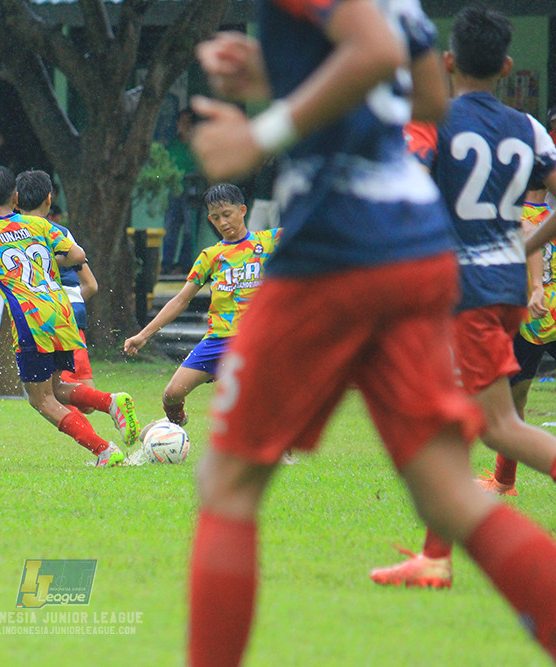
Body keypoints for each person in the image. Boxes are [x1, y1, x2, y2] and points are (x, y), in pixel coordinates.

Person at [186, 1, 556, 664]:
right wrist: (281, 73)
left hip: (335, 244)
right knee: (449, 493)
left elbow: (376, 55)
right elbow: (426, 96)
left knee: (229, 481)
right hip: (418, 251)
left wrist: (260, 134)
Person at [370, 6, 556, 590]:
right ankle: (435, 558)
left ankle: (436, 558)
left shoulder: (434, 119)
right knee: (447, 422)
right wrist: (527, 243)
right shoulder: (530, 128)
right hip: (506, 288)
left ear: (448, 62)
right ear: (506, 66)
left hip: (464, 290)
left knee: (498, 426)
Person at [0, 166, 139, 467]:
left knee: (41, 400)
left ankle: (104, 451)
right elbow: (78, 255)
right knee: (56, 389)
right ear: (15, 197)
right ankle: (110, 402)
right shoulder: (38, 225)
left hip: (32, 320)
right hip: (62, 311)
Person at [124, 184, 279, 428]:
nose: (223, 222)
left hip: (256, 339)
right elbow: (180, 300)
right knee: (171, 395)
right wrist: (143, 335)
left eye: (227, 214)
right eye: (216, 218)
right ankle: (174, 433)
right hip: (218, 340)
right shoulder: (210, 256)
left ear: (242, 211)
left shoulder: (269, 241)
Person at [476, 182, 553, 496]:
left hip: (529, 320)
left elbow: (525, 238)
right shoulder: (548, 216)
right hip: (546, 316)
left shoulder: (514, 215)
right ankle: (503, 481)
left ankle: (504, 481)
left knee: (511, 403)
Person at [15, 171, 99, 392]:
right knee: (73, 385)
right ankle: (108, 403)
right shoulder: (60, 233)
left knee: (46, 393)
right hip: (69, 312)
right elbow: (91, 285)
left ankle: (109, 402)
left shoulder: (8, 235)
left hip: (35, 317)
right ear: (49, 199)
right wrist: (71, 305)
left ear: (15, 200)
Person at [161, 108, 203, 275]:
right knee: (170, 228)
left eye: (188, 123)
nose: (184, 126)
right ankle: (166, 264)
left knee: (189, 230)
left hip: (193, 191)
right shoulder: (173, 144)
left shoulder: (197, 145)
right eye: (181, 122)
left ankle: (183, 265)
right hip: (175, 191)